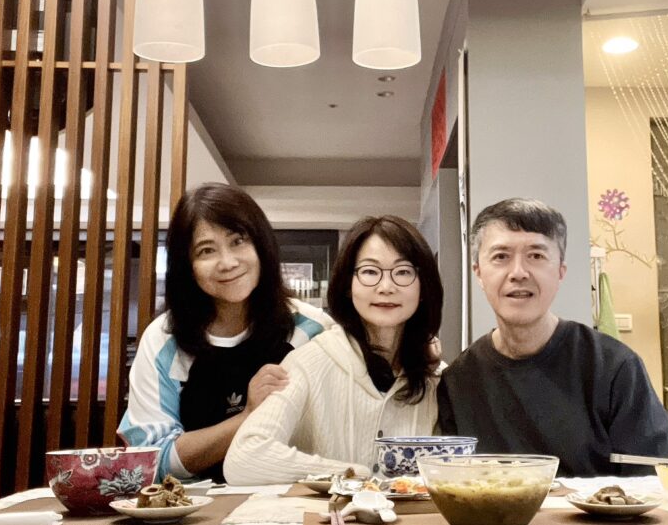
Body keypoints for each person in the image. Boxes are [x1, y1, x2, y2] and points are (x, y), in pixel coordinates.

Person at [438, 198, 668, 476]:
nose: (518, 273)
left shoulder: (615, 368)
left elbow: (648, 482)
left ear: (560, 271)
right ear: (478, 272)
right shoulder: (459, 381)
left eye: (536, 256)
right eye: (501, 257)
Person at [118, 183, 332, 482]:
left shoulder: (312, 329)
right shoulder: (164, 338)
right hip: (194, 505)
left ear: (261, 246)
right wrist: (248, 416)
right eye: (206, 250)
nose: (228, 263)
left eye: (238, 241)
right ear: (187, 265)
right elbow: (152, 461)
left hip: (295, 497)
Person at [224, 215, 444, 484]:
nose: (386, 287)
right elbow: (244, 459)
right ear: (348, 286)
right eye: (370, 272)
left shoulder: (436, 378)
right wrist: (353, 474)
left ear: (423, 288)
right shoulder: (308, 363)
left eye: (403, 272)